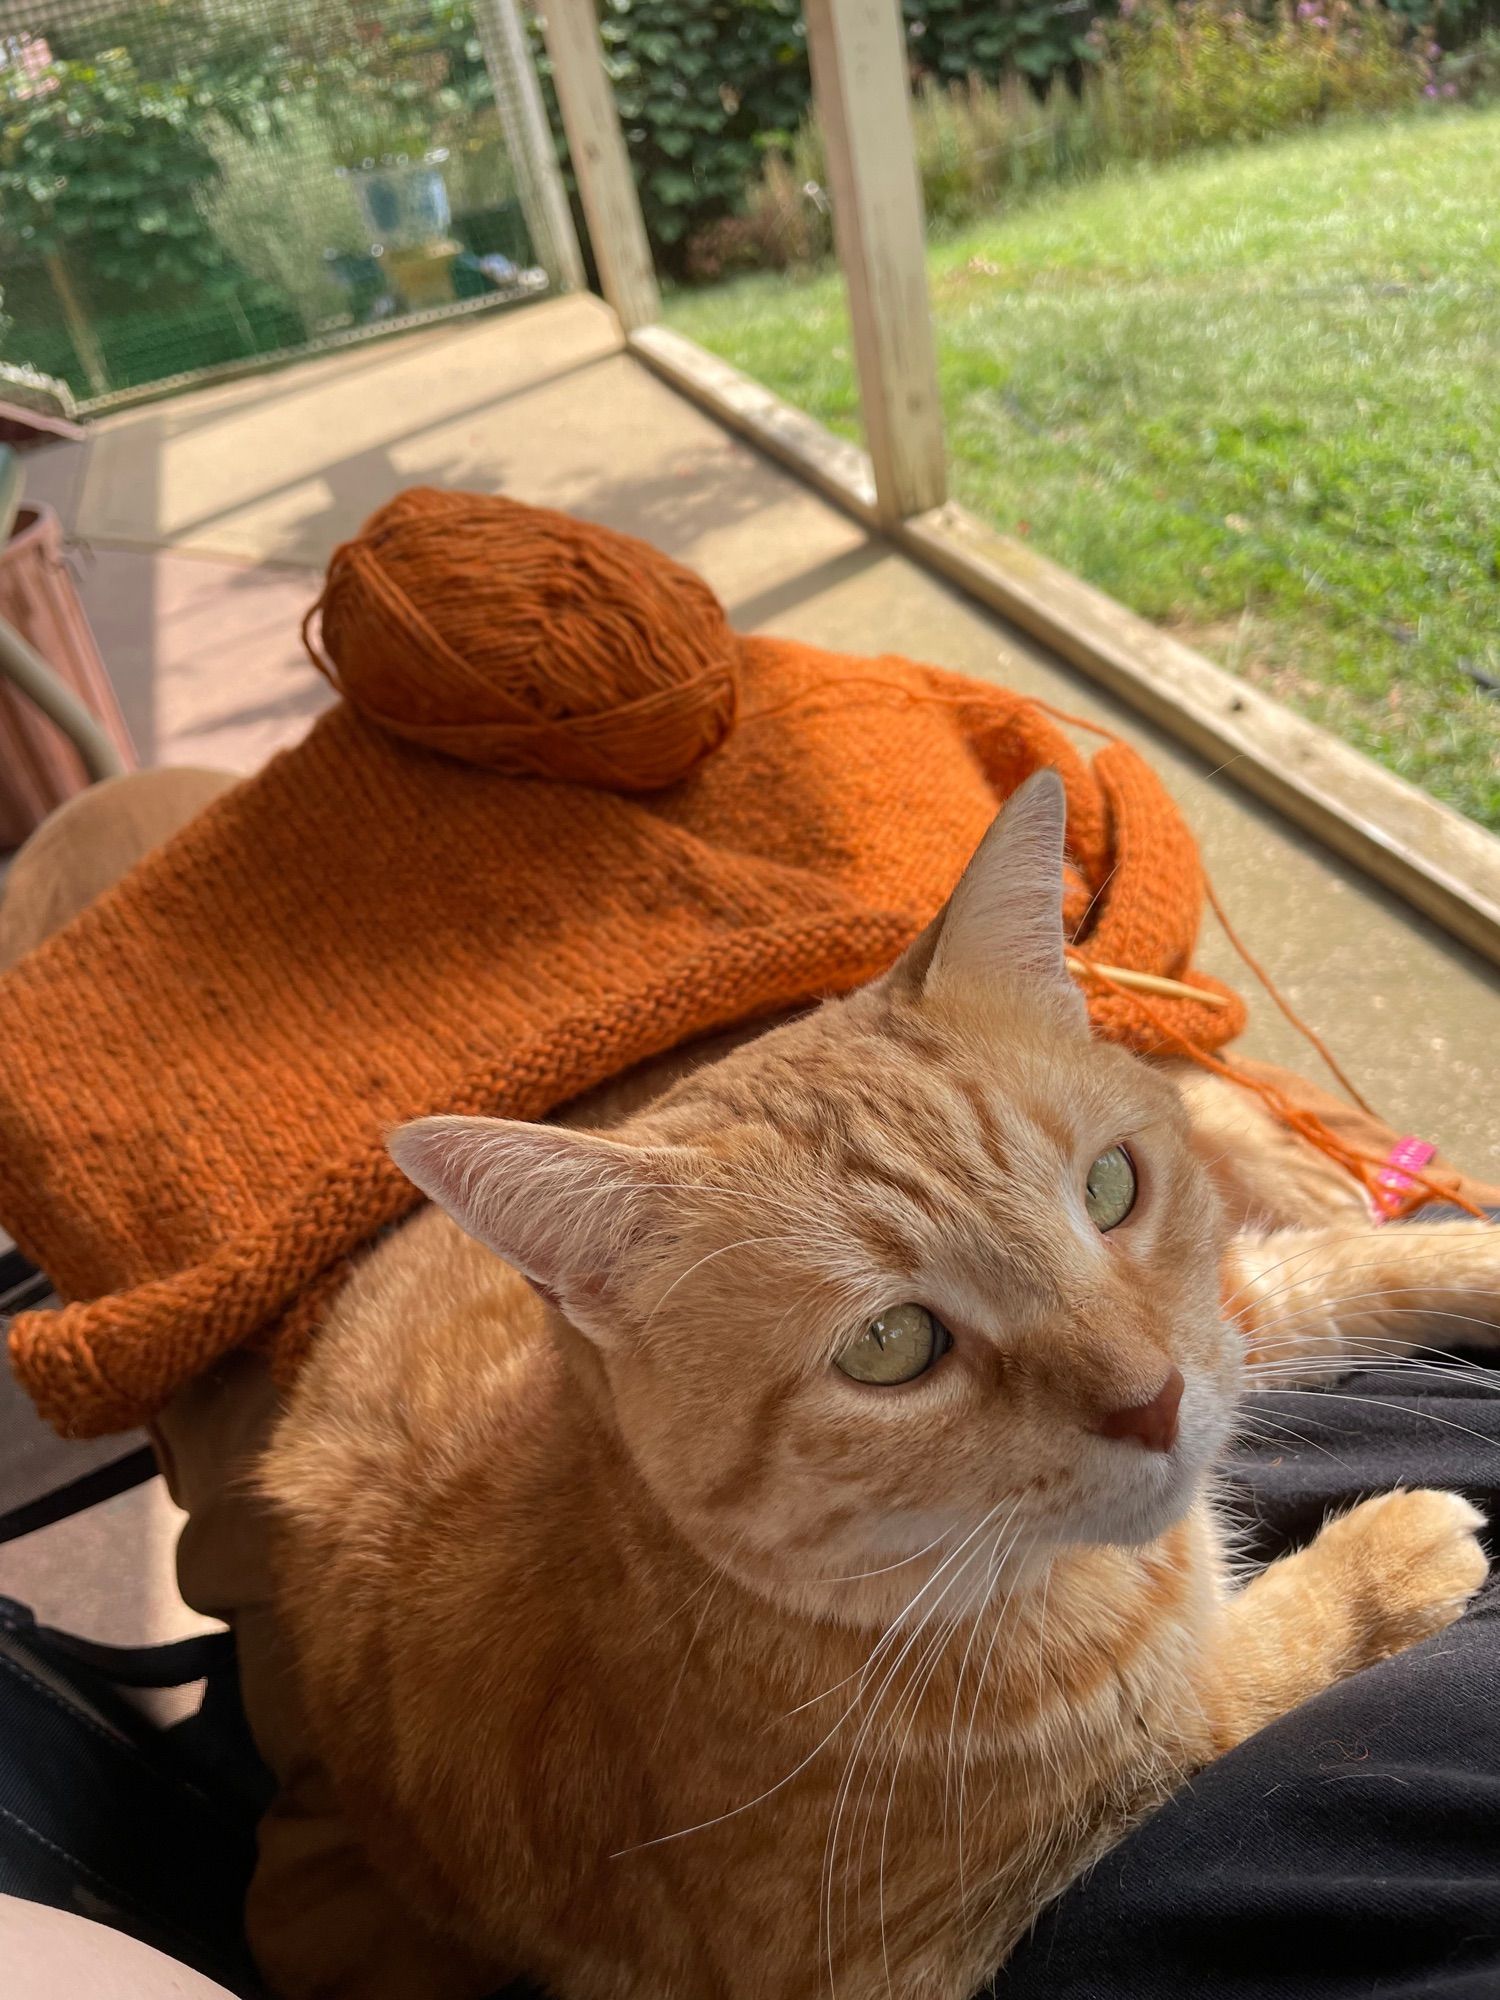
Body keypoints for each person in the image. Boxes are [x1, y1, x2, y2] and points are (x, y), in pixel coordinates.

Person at [3, 771, 1498, 2000]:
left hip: (557, 1358)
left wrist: (1436, 1269)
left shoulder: (958, 1349)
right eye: (900, 1345)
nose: (1140, 1380)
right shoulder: (843, 1741)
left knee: (125, 835)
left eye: (1109, 1184)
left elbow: (1182, 1304)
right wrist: (1313, 1629)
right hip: (528, 1446)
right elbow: (880, 1955)